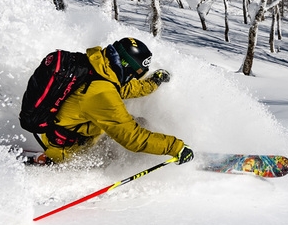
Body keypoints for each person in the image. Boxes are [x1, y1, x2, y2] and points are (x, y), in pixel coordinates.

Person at [30, 37, 194, 167]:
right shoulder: (101, 94)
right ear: (127, 67)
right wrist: (175, 147)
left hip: (72, 131)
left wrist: (153, 83)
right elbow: (132, 138)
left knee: (139, 122)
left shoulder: (98, 67)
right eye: (136, 73)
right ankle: (51, 159)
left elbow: (125, 88)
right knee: (133, 132)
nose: (135, 77)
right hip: (71, 150)